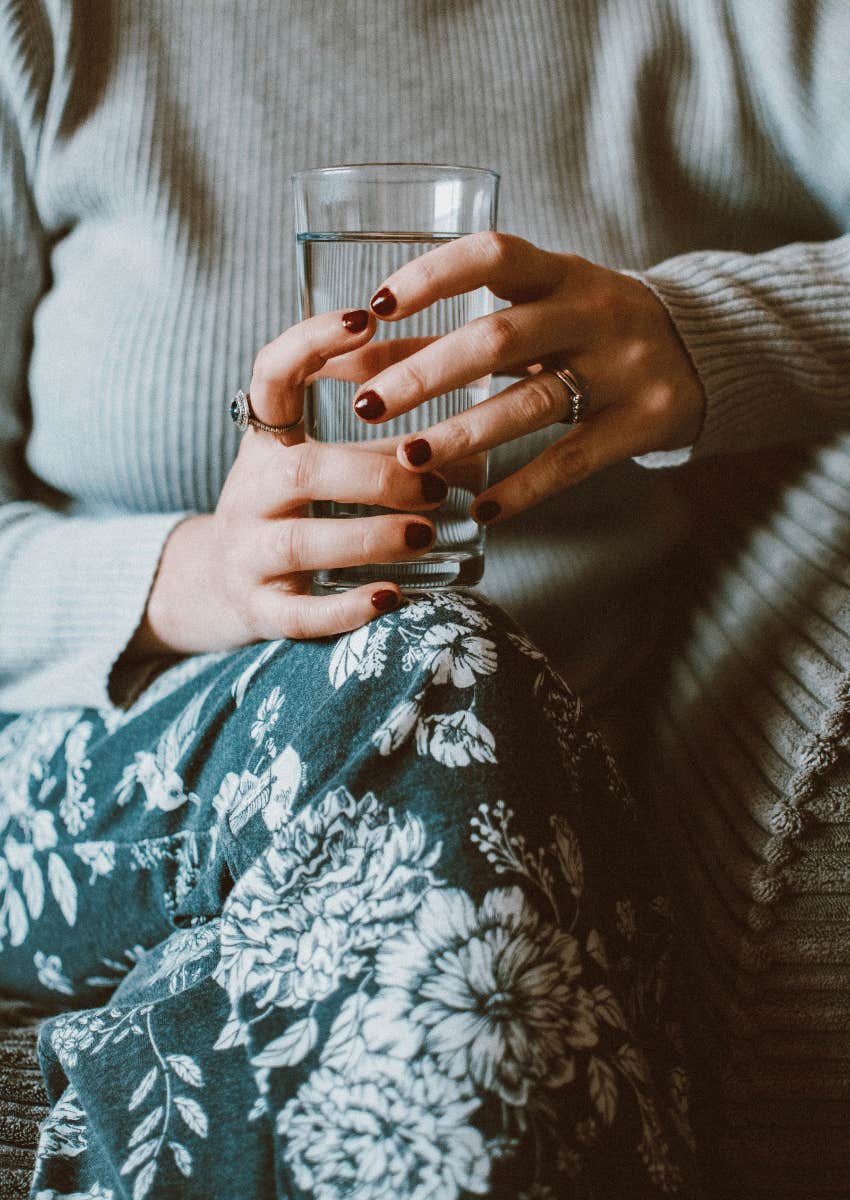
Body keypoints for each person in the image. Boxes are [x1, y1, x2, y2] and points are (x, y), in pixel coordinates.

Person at [1, 1, 848, 1197]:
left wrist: (699, 334)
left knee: (438, 682)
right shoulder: (51, 29)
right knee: (429, 671)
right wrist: (199, 574)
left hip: (514, 766)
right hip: (95, 748)